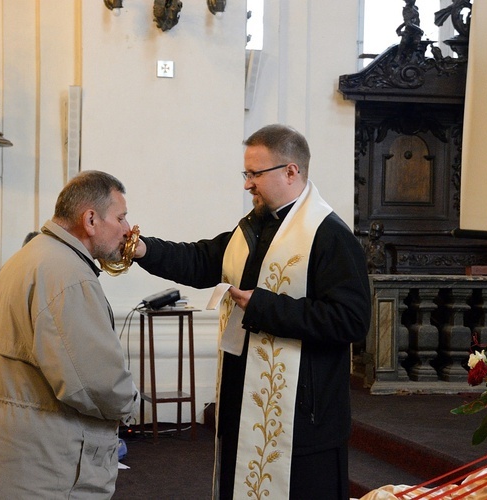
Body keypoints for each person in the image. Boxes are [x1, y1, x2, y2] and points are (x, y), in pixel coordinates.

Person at [134, 124, 371, 499]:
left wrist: (262, 306)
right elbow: (200, 260)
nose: (247, 184)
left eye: (255, 174)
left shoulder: (330, 235)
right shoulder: (254, 227)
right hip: (243, 398)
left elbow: (351, 320)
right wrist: (143, 250)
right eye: (246, 174)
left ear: (291, 171)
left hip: (303, 416)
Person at [0, 170, 139, 498]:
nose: (127, 230)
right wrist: (131, 401)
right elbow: (95, 384)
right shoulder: (67, 274)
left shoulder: (29, 256)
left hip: (10, 455)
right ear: (91, 219)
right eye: (122, 217)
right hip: (46, 467)